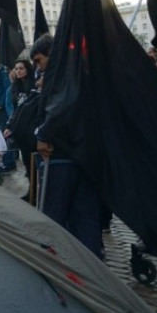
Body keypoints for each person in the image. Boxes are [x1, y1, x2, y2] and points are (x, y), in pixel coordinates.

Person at [31, 34, 104, 259]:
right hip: (84, 157)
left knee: (54, 217)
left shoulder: (62, 78)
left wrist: (42, 133)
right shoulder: (81, 71)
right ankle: (92, 268)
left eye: (39, 60)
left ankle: (58, 266)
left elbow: (60, 109)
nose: (38, 67)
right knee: (86, 219)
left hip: (60, 156)